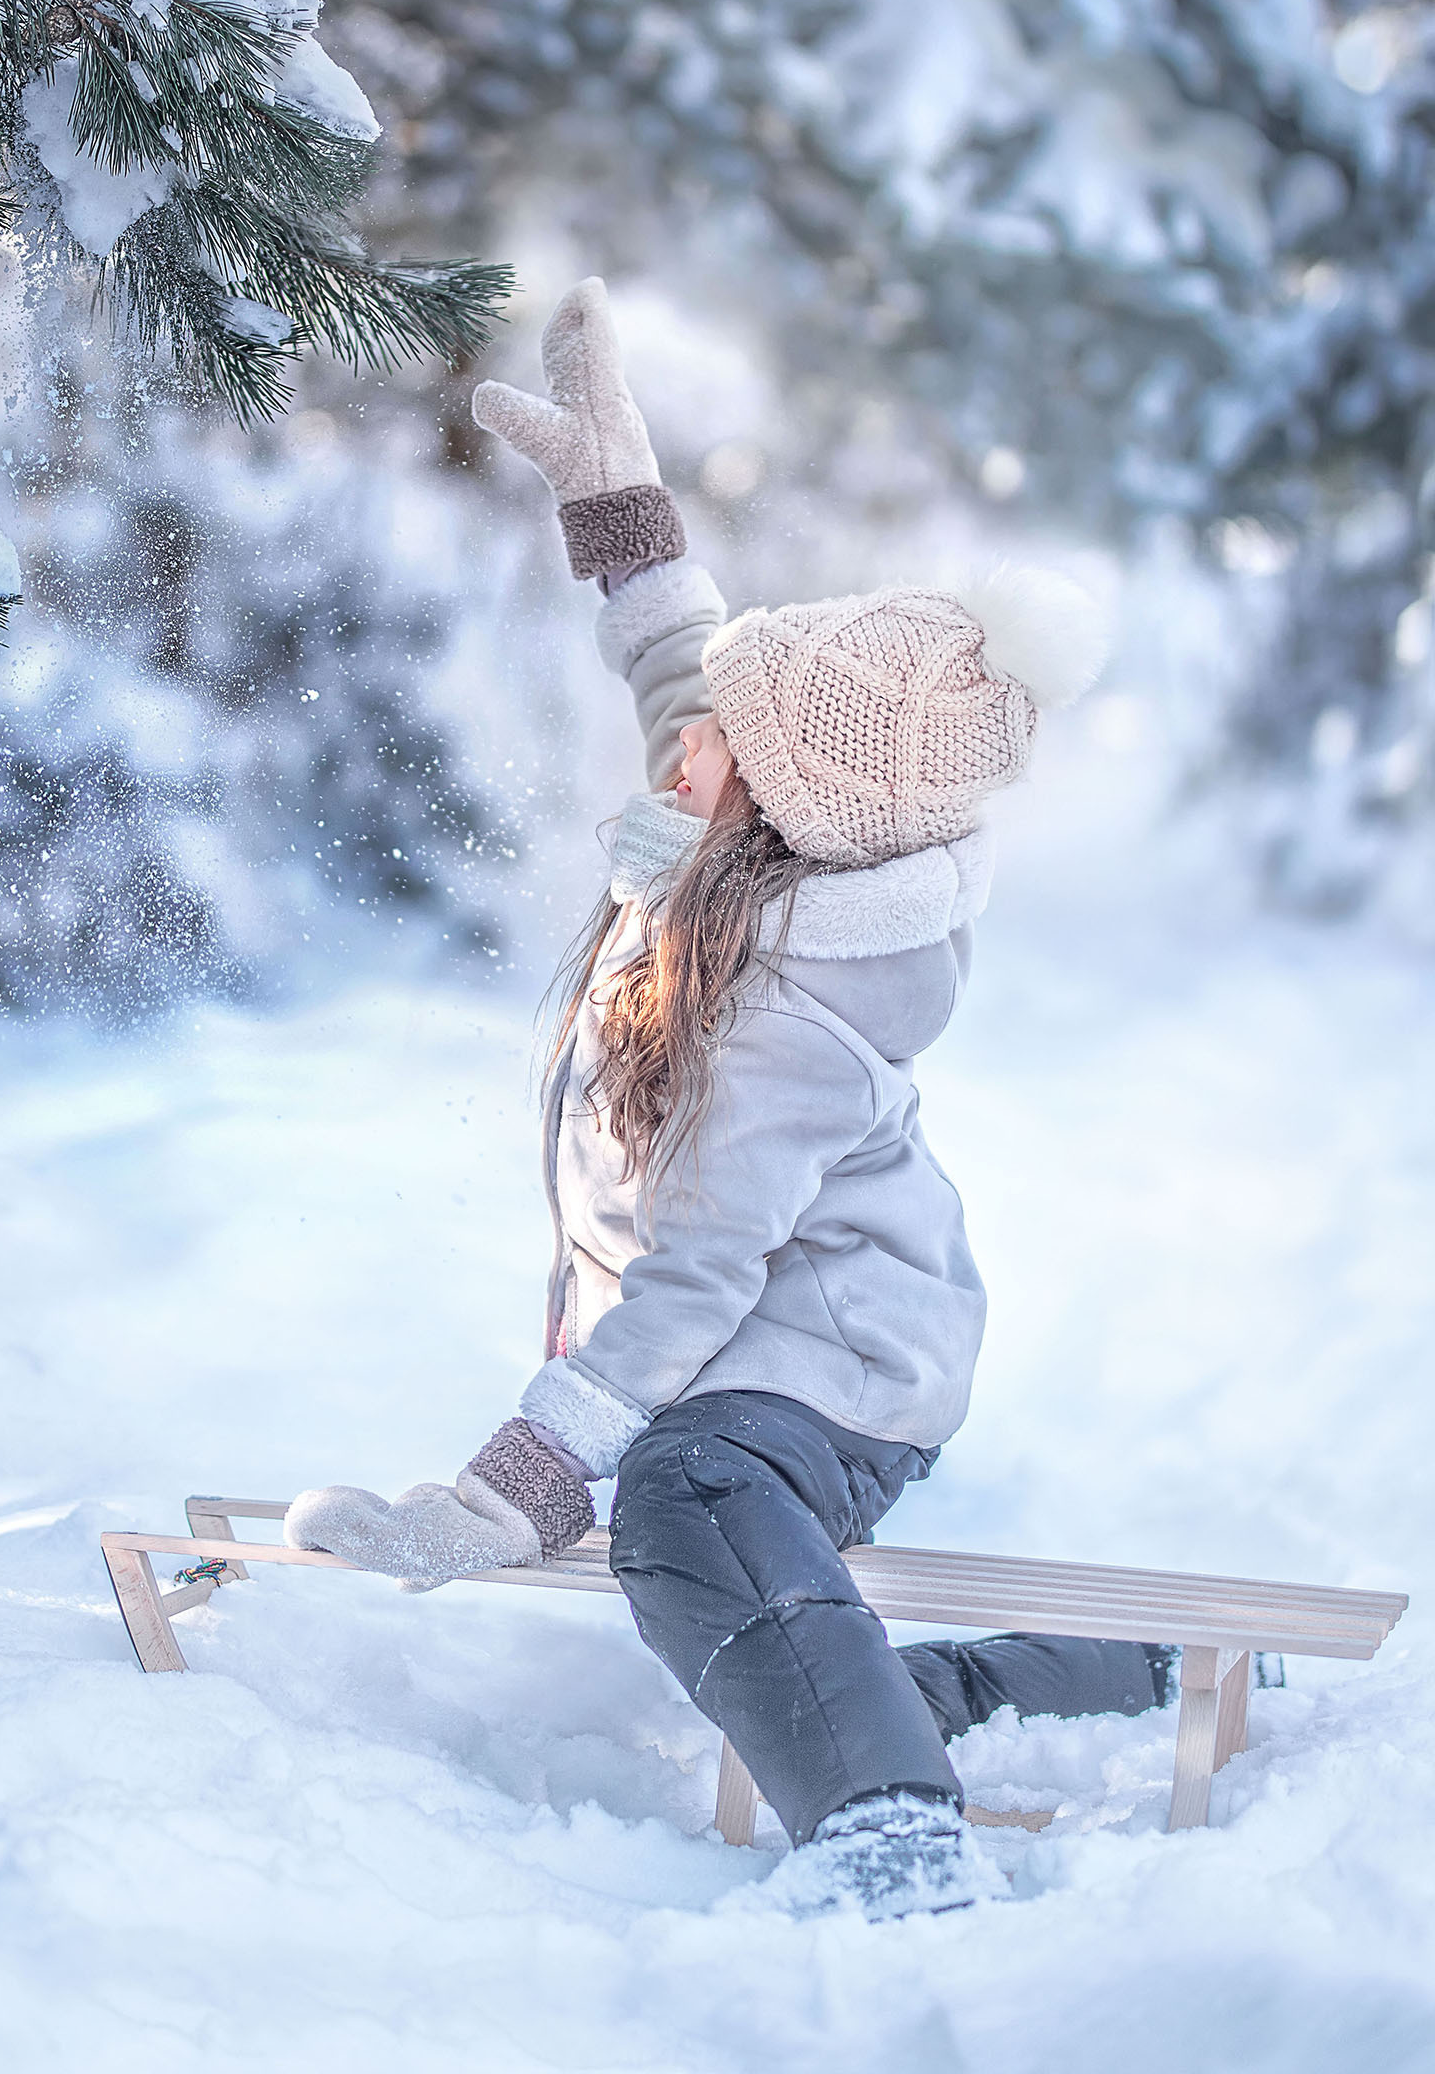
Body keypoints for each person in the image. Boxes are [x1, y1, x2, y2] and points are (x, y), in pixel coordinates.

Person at [289, 280, 1168, 1918]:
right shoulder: (746, 823)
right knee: (691, 1495)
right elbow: (682, 657)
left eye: (716, 750)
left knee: (683, 1491)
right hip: (750, 1337)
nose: (676, 752)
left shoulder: (804, 1011)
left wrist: (521, 1482)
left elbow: (705, 1272)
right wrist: (617, 502)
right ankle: (954, 1692)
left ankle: (894, 1822)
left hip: (838, 1360)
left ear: (785, 809)